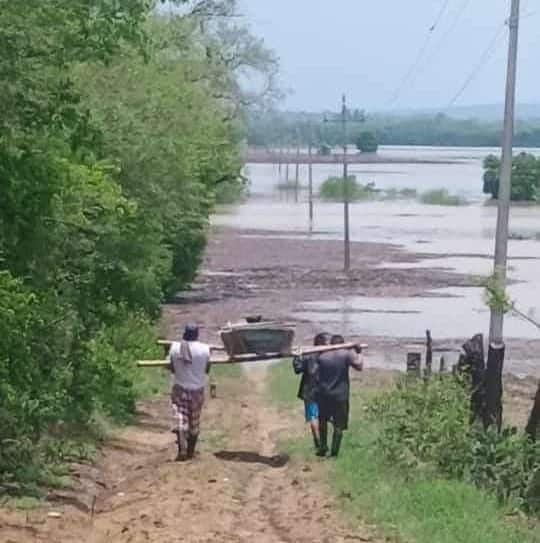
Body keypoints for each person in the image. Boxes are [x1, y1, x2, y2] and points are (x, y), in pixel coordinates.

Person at [316, 334, 363, 458]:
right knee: (339, 424)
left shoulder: (322, 356)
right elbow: (359, 366)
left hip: (324, 394)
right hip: (340, 395)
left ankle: (322, 447)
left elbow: (315, 373)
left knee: (322, 421)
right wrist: (359, 352)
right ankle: (334, 453)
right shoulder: (345, 354)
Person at [169, 324, 211, 461]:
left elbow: (171, 368)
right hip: (197, 391)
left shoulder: (174, 347)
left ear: (184, 334)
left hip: (180, 388)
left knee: (181, 417)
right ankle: (191, 452)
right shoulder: (205, 349)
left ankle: (182, 447)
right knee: (194, 421)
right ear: (197, 335)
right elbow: (207, 370)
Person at [293, 332, 330, 451]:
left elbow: (298, 369)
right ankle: (321, 444)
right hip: (325, 391)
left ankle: (319, 444)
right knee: (322, 417)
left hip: (310, 391)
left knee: (313, 417)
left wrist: (296, 357)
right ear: (324, 344)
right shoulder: (329, 357)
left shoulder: (308, 356)